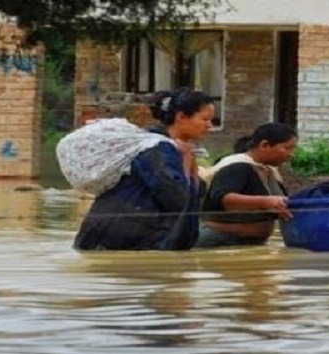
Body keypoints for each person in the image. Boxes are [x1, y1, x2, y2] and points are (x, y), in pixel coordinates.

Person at [73, 88, 215, 251]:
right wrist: (185, 162)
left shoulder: (174, 149)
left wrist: (190, 164)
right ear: (181, 117)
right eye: (205, 119)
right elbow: (175, 197)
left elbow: (193, 192)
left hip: (128, 241)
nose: (209, 125)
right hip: (119, 242)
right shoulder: (156, 149)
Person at [196, 122, 298, 248]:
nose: (291, 154)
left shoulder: (268, 171)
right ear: (264, 145)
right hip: (218, 240)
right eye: (287, 148)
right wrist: (266, 202)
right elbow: (225, 199)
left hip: (246, 243)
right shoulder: (236, 166)